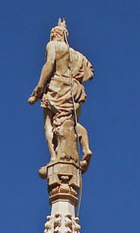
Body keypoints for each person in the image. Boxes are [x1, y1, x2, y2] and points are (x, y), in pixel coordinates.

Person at [28, 18, 94, 168]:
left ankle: (53, 157)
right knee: (72, 122)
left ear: (54, 35)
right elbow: (90, 73)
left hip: (57, 88)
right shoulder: (77, 55)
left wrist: (39, 88)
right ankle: (86, 148)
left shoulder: (53, 45)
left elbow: (49, 64)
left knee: (49, 124)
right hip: (75, 91)